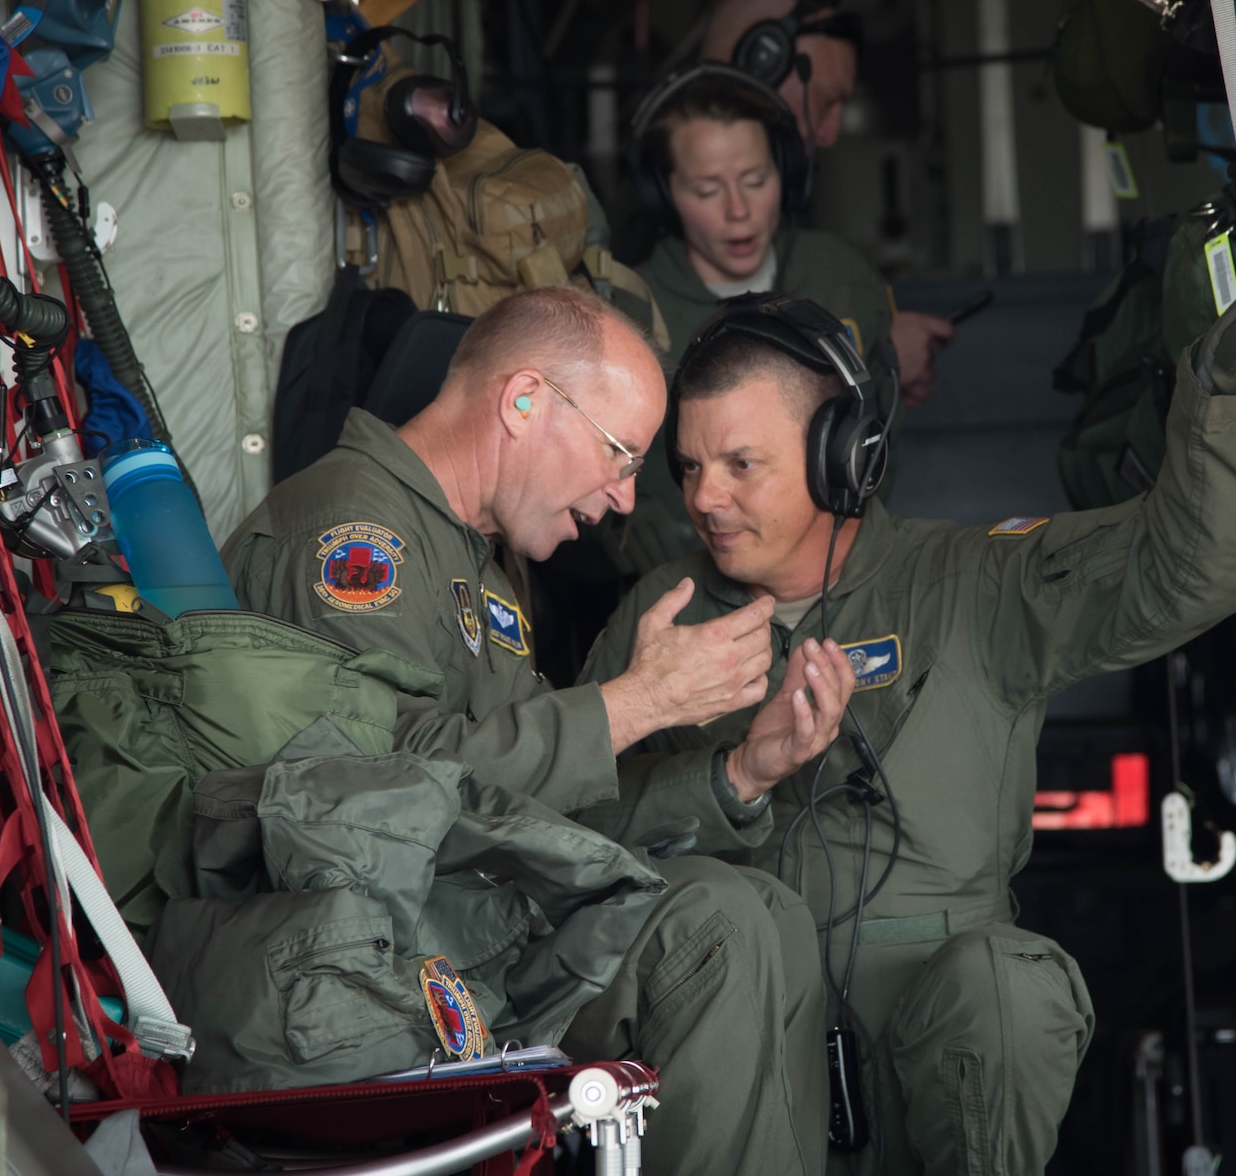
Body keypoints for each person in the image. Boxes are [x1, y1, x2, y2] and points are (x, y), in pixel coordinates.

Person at [579, 296, 1236, 1174]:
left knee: (1008, 982)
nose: (704, 498)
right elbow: (566, 849)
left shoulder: (971, 585)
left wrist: (1223, 388)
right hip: (739, 1043)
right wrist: (733, 777)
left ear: (841, 455)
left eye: (740, 464)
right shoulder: (659, 619)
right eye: (687, 467)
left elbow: (1188, 569)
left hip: (938, 1045)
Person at [222, 287, 849, 1174]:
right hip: (387, 969)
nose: (628, 500)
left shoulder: (476, 555)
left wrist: (741, 772)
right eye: (621, 455)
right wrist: (639, 702)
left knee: (770, 912)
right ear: (522, 403)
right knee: (717, 926)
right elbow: (373, 798)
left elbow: (524, 808)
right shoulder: (351, 537)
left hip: (474, 927)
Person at [620, 66, 932, 575]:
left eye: (755, 180)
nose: (739, 210)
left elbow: (879, 435)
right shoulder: (626, 308)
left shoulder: (841, 273)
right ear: (662, 193)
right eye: (707, 190)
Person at [701, 0, 958, 410]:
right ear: (759, 67)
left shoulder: (833, 265)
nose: (830, 134)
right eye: (823, 103)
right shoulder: (642, 263)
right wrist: (876, 358)